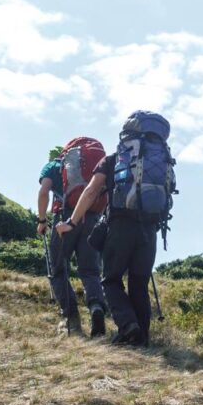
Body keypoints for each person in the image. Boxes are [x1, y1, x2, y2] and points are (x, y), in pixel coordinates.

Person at [57, 111, 174, 347]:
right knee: (139, 283)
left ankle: (128, 327)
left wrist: (71, 222)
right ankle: (142, 338)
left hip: (120, 225)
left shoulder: (112, 160)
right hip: (150, 228)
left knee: (110, 280)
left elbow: (91, 191)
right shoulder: (161, 161)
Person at [37, 144, 107, 338]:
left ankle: (71, 318)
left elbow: (44, 193)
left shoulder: (52, 166)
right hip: (92, 218)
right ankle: (95, 308)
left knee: (58, 269)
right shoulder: (95, 165)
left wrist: (42, 221)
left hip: (64, 220)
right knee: (91, 271)